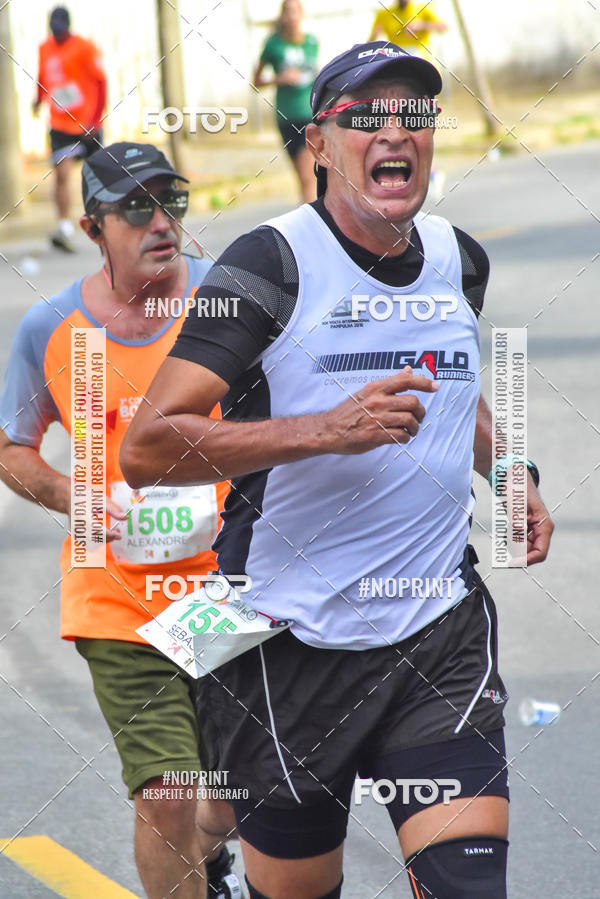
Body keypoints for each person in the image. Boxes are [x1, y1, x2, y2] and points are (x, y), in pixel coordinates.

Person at [120, 43, 554, 899]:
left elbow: (454, 389)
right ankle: (215, 830)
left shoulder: (459, 259)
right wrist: (321, 431)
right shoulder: (266, 266)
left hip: (440, 633)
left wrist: (512, 470)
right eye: (365, 117)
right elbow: (146, 447)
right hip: (290, 644)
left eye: (414, 115)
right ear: (317, 143)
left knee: (472, 885)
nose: (395, 131)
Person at [0, 142, 244, 899]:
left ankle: (218, 860)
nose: (160, 221)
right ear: (91, 224)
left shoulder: (227, 304)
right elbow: (13, 447)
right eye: (135, 207)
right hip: (116, 598)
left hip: (227, 591)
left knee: (232, 795)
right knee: (166, 794)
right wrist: (74, 495)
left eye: (171, 201)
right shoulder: (51, 328)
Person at [33, 6, 107, 252]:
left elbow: (101, 81)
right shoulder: (44, 48)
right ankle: (64, 226)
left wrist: (96, 120)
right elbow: (43, 78)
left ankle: (104, 223)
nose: (57, 34)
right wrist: (37, 99)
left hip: (86, 123)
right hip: (60, 123)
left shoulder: (84, 47)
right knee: (62, 174)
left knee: (96, 175)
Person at [254, 0, 318, 203]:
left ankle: (311, 225)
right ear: (282, 16)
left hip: (309, 115)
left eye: (295, 11)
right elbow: (256, 81)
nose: (291, 16)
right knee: (302, 178)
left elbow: (315, 73)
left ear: (302, 15)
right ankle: (308, 221)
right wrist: (279, 79)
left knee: (309, 177)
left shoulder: (311, 42)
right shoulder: (274, 45)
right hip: (286, 117)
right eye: (287, 12)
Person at [369, 0, 447, 58]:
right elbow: (370, 42)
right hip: (396, 58)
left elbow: (443, 27)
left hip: (422, 59)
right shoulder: (384, 13)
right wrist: (375, 35)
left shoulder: (422, 9)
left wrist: (422, 25)